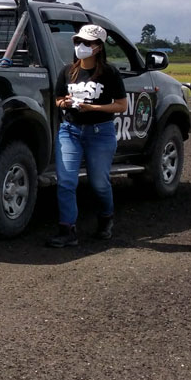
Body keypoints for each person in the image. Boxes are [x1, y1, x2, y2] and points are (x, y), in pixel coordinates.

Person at [48, 24, 128, 248]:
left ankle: (106, 219)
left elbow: (121, 106)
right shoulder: (67, 71)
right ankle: (67, 230)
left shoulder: (110, 73)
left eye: (86, 43)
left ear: (98, 48)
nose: (80, 46)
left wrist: (94, 109)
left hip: (100, 133)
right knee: (66, 181)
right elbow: (58, 99)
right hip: (70, 130)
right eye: (77, 42)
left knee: (99, 182)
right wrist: (64, 102)